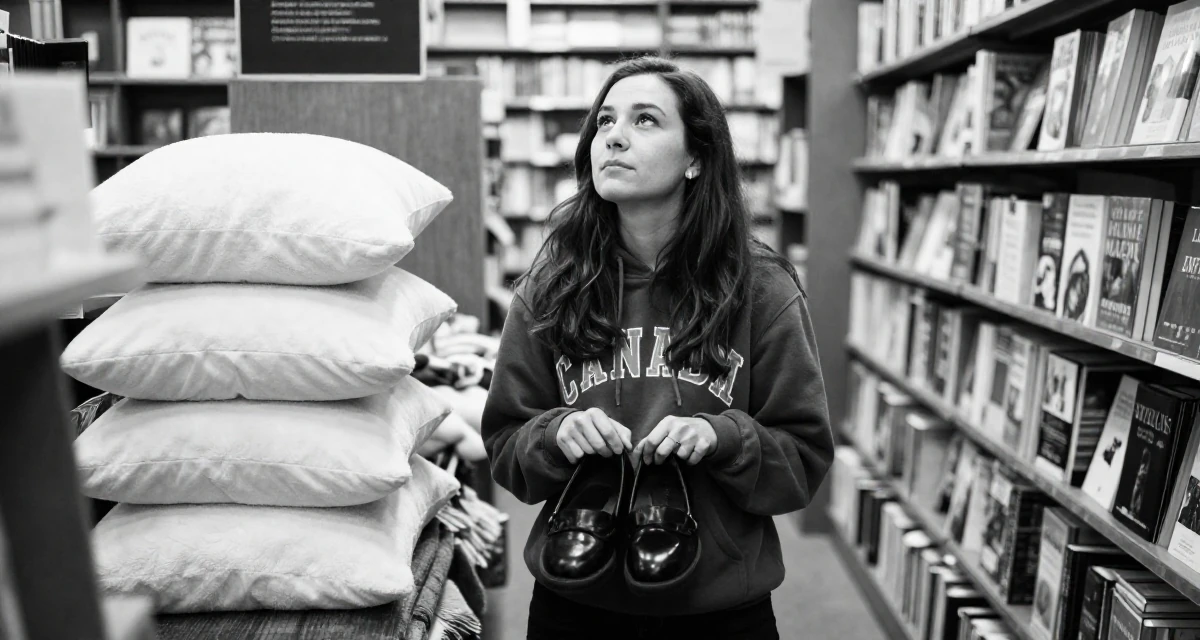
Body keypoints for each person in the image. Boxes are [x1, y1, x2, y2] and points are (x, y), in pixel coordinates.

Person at [481, 56, 834, 640]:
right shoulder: (548, 288)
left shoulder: (764, 289)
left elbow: (802, 462)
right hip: (574, 599)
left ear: (696, 157)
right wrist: (553, 434)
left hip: (717, 607)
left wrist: (721, 435)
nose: (614, 135)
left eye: (645, 120)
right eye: (605, 121)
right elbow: (504, 450)